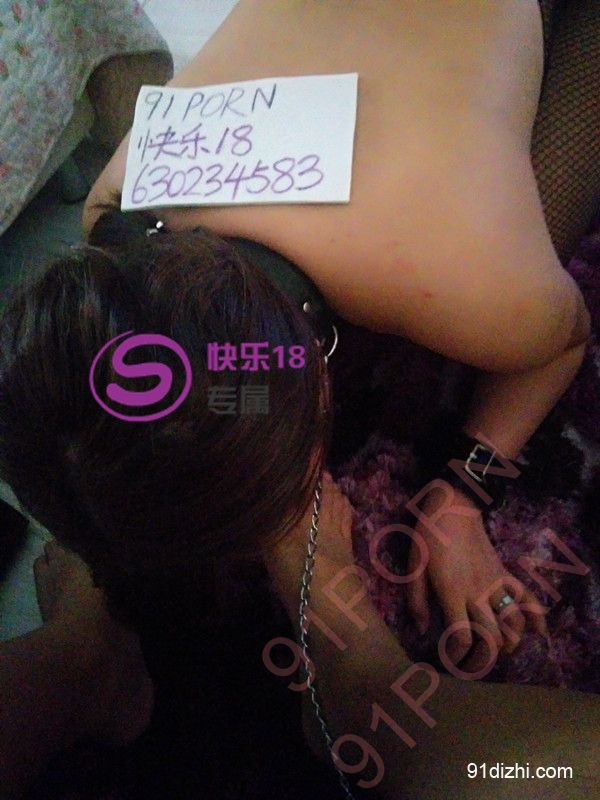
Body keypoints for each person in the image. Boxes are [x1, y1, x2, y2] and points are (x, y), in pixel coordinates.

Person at [1, 0, 600, 797]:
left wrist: (463, 492)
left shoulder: (473, 281)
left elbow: (564, 340)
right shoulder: (117, 208)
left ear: (325, 391)